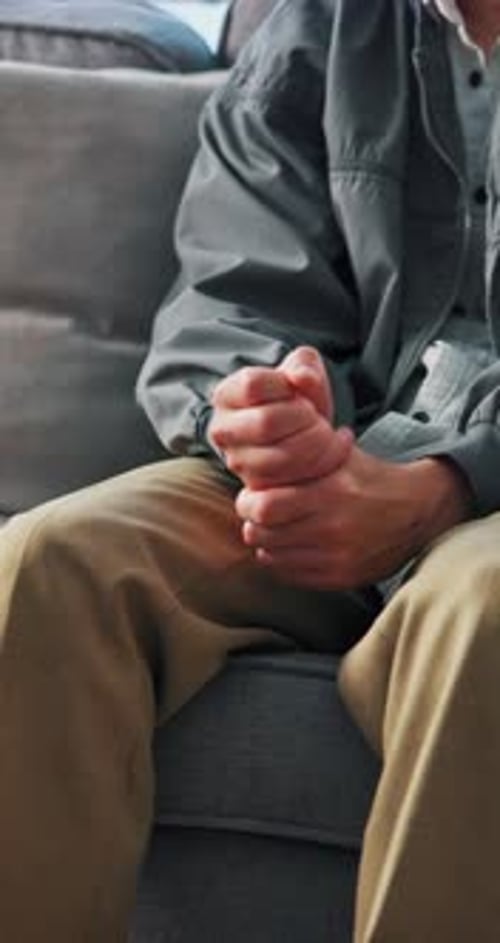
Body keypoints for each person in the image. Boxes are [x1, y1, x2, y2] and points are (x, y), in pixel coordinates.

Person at [1, 0, 500, 938]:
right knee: (48, 561)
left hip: (482, 505)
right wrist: (268, 413)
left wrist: (448, 482)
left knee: (487, 608)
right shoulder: (323, 24)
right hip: (330, 468)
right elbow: (228, 293)